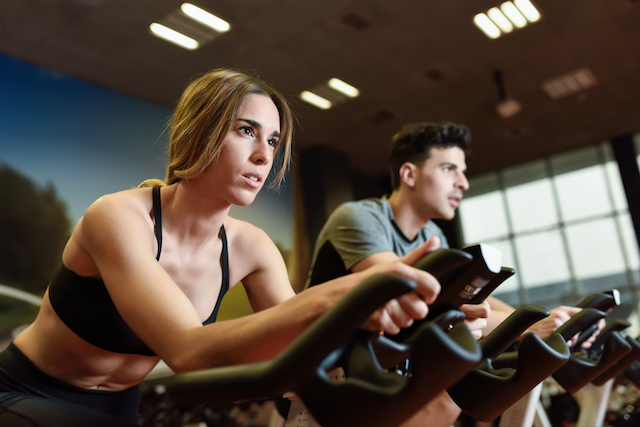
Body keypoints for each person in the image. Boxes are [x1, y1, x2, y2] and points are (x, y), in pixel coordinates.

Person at [0, 69, 442, 426]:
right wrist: (351, 290)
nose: (264, 155)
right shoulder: (117, 218)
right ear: (198, 132)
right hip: (26, 393)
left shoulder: (252, 247)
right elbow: (188, 352)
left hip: (119, 410)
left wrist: (411, 325)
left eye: (271, 140)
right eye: (246, 130)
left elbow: (302, 348)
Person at [305, 121, 597, 426]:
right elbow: (413, 303)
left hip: (385, 364)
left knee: (455, 390)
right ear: (409, 174)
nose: (463, 183)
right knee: (447, 394)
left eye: (462, 171)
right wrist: (528, 328)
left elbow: (472, 295)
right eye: (449, 169)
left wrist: (542, 322)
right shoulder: (359, 218)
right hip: (326, 371)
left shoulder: (432, 236)